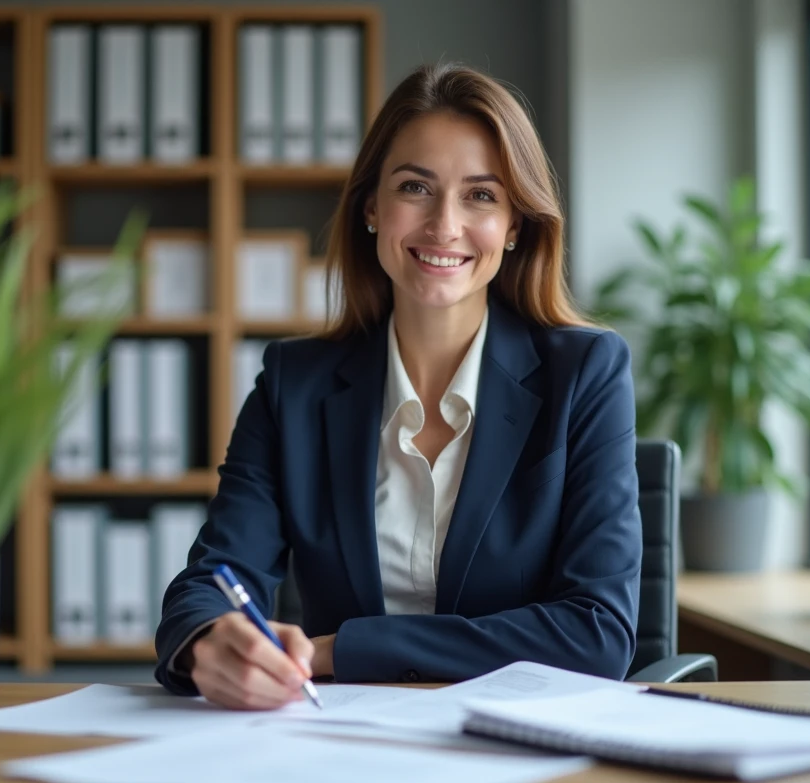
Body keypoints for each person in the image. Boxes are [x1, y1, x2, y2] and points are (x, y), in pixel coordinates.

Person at [154, 62, 642, 710]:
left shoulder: (585, 374)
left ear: (516, 225)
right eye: (416, 187)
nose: (444, 225)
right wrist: (210, 641)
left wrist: (336, 652)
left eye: (481, 195)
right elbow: (211, 579)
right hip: (342, 750)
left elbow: (597, 634)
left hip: (522, 750)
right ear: (372, 209)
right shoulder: (294, 386)